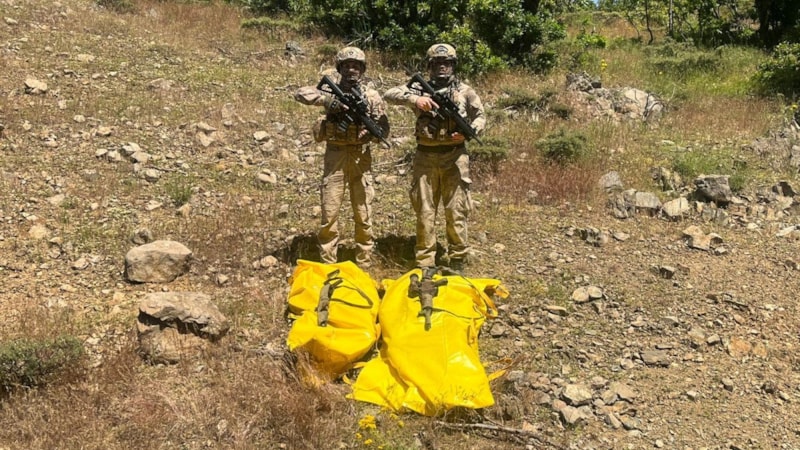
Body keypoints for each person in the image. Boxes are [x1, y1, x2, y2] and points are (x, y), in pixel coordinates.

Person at [383, 43, 485, 271]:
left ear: (453, 66)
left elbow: (480, 116)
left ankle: (458, 258)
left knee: (456, 209)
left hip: (455, 157)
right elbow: (389, 94)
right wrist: (415, 101)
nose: (442, 67)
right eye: (438, 63)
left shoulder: (465, 91)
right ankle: (425, 261)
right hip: (425, 157)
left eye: (447, 63)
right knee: (425, 211)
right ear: (430, 65)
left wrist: (470, 132)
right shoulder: (419, 89)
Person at [294, 47, 390, 267]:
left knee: (363, 211)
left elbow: (384, 128)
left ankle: (364, 262)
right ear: (340, 68)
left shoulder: (371, 96)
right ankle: (328, 263)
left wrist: (372, 133)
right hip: (335, 154)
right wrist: (330, 103)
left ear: (362, 69)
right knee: (330, 211)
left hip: (360, 157)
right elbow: (300, 93)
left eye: (356, 66)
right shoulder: (329, 92)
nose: (351, 70)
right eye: (347, 66)